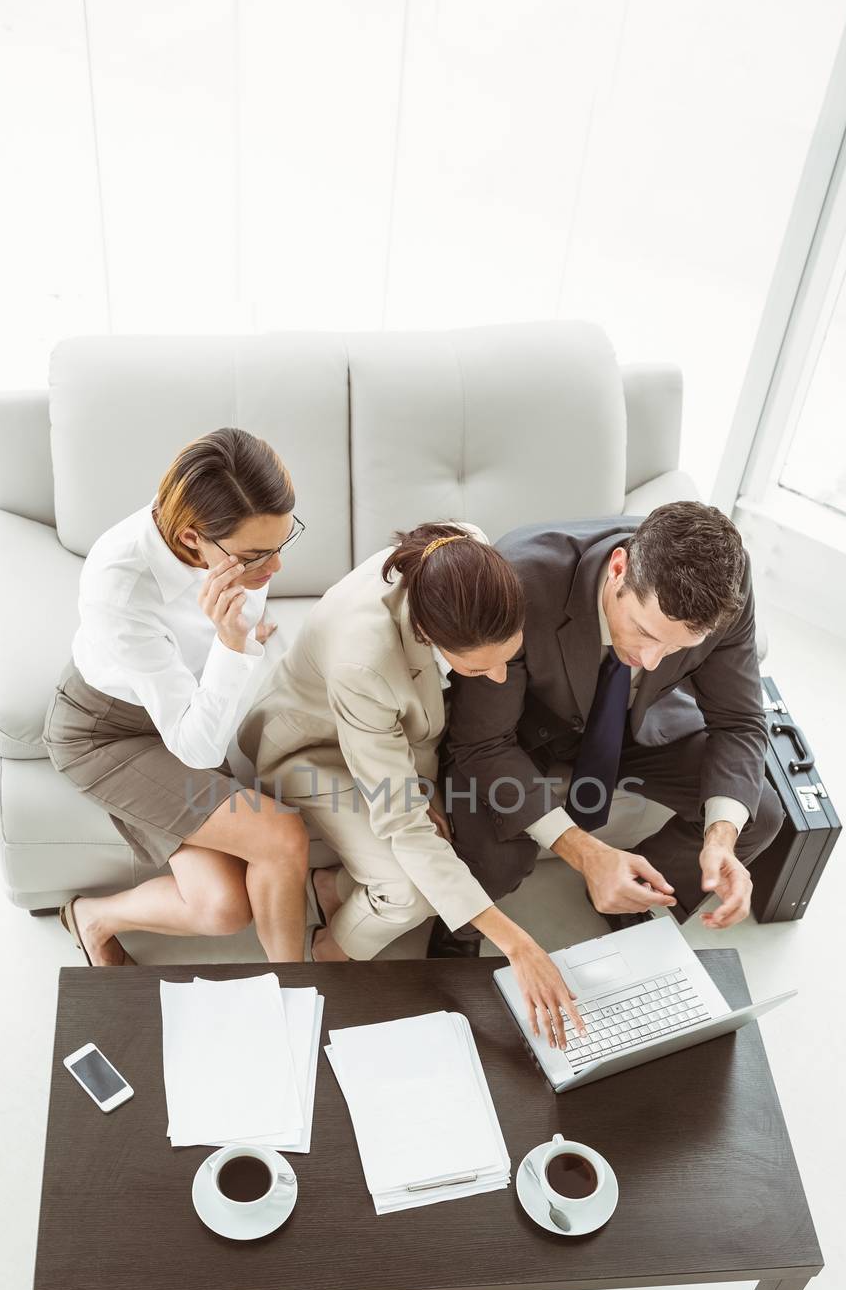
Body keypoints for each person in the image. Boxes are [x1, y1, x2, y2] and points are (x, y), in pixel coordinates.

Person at [239, 523, 585, 1049]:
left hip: (388, 741)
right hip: (313, 749)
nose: (497, 678)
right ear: (429, 634)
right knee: (408, 892)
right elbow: (401, 819)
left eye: (506, 659)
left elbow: (410, 730)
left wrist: (423, 787)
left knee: (446, 847)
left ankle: (331, 888)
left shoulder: (466, 552)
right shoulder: (364, 659)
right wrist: (518, 945)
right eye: (479, 667)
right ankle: (330, 951)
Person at [430, 502, 784, 956]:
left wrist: (720, 838)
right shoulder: (517, 579)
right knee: (497, 862)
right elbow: (481, 743)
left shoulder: (728, 587)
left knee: (757, 815)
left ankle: (636, 898)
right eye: (646, 632)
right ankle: (456, 938)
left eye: (678, 648)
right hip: (521, 730)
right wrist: (586, 854)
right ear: (619, 568)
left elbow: (739, 720)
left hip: (635, 721)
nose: (653, 660)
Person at [41, 428, 309, 967]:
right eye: (258, 554)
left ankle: (93, 916)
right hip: (109, 733)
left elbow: (236, 652)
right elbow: (198, 749)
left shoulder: (239, 553)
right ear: (191, 539)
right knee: (280, 838)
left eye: (282, 544)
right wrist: (233, 645)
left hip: (189, 711)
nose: (274, 569)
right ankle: (299, 989)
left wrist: (238, 639)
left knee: (222, 907)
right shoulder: (119, 584)